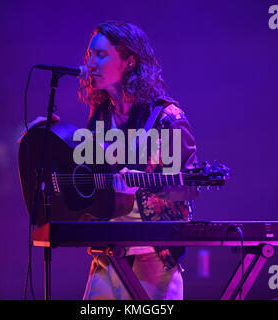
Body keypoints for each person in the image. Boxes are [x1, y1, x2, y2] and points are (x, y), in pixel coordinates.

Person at [77, 21, 199, 300]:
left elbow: (189, 186)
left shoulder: (167, 118)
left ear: (130, 61)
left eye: (102, 55)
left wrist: (148, 183)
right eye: (90, 56)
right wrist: (51, 137)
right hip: (107, 253)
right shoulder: (100, 117)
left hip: (154, 257)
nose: (91, 64)